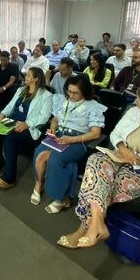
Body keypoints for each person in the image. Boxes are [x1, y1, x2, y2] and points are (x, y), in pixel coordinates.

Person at [57, 82, 140, 249]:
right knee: (95, 160)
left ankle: (85, 229)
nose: (136, 99)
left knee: (100, 184)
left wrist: (137, 159)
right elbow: (115, 134)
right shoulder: (133, 112)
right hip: (119, 157)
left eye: (139, 97)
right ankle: (98, 226)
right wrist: (123, 148)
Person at [32, 75, 106, 213]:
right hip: (60, 135)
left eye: (75, 93)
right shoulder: (63, 100)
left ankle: (60, 198)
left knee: (56, 159)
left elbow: (95, 133)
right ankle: (39, 184)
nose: (71, 95)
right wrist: (53, 129)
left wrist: (71, 140)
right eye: (69, 91)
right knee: (39, 152)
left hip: (78, 140)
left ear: (84, 92)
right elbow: (55, 119)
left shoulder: (92, 106)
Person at [0, 67, 53, 189]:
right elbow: (10, 105)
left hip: (29, 127)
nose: (25, 77)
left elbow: (44, 117)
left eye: (28, 76)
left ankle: (9, 178)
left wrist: (27, 124)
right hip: (12, 121)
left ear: (36, 79)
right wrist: (2, 114)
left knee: (10, 139)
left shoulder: (47, 96)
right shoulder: (21, 89)